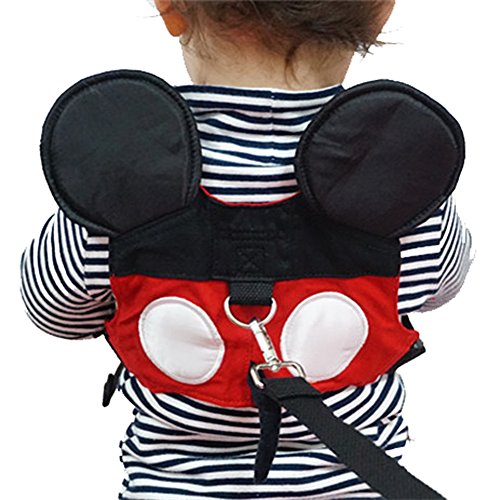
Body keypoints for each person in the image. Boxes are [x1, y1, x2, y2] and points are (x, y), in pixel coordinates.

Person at [20, 1, 473, 498]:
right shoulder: (398, 170)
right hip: (358, 481)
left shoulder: (120, 172)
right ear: (381, 11)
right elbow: (439, 284)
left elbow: (53, 308)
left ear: (170, 7)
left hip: (173, 486)